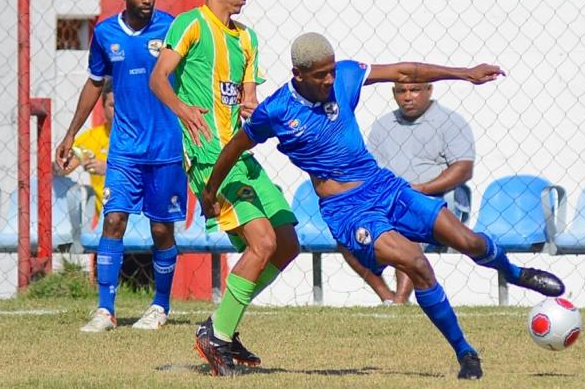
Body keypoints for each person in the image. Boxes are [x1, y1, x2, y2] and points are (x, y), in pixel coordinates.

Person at [200, 32, 565, 379]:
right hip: (348, 210)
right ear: (299, 74)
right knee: (417, 263)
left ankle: (515, 273)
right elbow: (235, 146)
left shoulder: (344, 75)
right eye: (320, 75)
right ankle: (465, 353)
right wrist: (210, 191)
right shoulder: (277, 110)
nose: (330, 80)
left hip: (385, 186)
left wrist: (464, 74)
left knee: (469, 241)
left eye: (331, 70)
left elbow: (406, 71)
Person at [149, 0, 300, 377]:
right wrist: (182, 108)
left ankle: (220, 326)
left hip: (241, 155)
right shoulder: (191, 24)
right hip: (208, 156)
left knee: (287, 243)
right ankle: (219, 333)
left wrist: (256, 109)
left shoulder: (248, 38)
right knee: (263, 244)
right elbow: (158, 78)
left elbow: (247, 98)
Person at [56, 0, 186, 333]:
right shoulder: (105, 33)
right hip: (125, 149)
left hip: (166, 147)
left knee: (162, 231)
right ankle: (105, 311)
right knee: (114, 220)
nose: (147, 0)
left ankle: (160, 305)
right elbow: (95, 84)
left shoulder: (172, 29)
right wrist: (70, 134)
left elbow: (194, 74)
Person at [342, 82, 475, 305]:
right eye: (401, 91)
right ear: (394, 93)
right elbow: (370, 170)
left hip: (437, 201)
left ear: (429, 90)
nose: (407, 97)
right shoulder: (383, 125)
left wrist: (419, 190)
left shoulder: (451, 122)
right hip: (388, 201)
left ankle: (401, 299)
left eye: (414, 90)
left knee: (407, 226)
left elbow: (463, 169)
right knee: (346, 234)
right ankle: (387, 298)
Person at [57, 78, 114, 221]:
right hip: (103, 218)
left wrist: (108, 169)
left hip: (138, 215)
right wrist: (62, 163)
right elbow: (64, 168)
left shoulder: (140, 137)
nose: (118, 111)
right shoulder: (91, 137)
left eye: (122, 105)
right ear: (103, 106)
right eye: (112, 105)